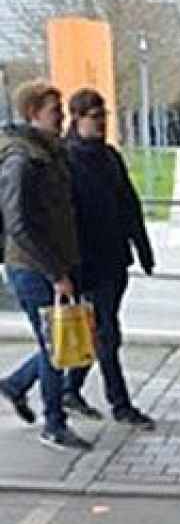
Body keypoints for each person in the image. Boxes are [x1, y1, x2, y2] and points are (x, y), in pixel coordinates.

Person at [6, 90, 157, 430]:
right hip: (85, 264)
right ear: (78, 118)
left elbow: (127, 205)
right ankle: (114, 405)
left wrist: (143, 248)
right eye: (93, 115)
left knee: (83, 336)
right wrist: (63, 268)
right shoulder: (60, 159)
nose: (101, 122)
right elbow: (40, 220)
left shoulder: (106, 157)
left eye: (104, 115)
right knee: (101, 336)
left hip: (113, 259)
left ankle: (33, 386)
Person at [0, 82, 91, 451]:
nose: (62, 116)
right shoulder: (22, 159)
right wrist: (55, 273)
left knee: (64, 340)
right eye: (56, 110)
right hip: (33, 267)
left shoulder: (49, 154)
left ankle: (16, 384)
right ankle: (54, 423)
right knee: (57, 345)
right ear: (34, 112)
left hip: (53, 263)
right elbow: (18, 223)